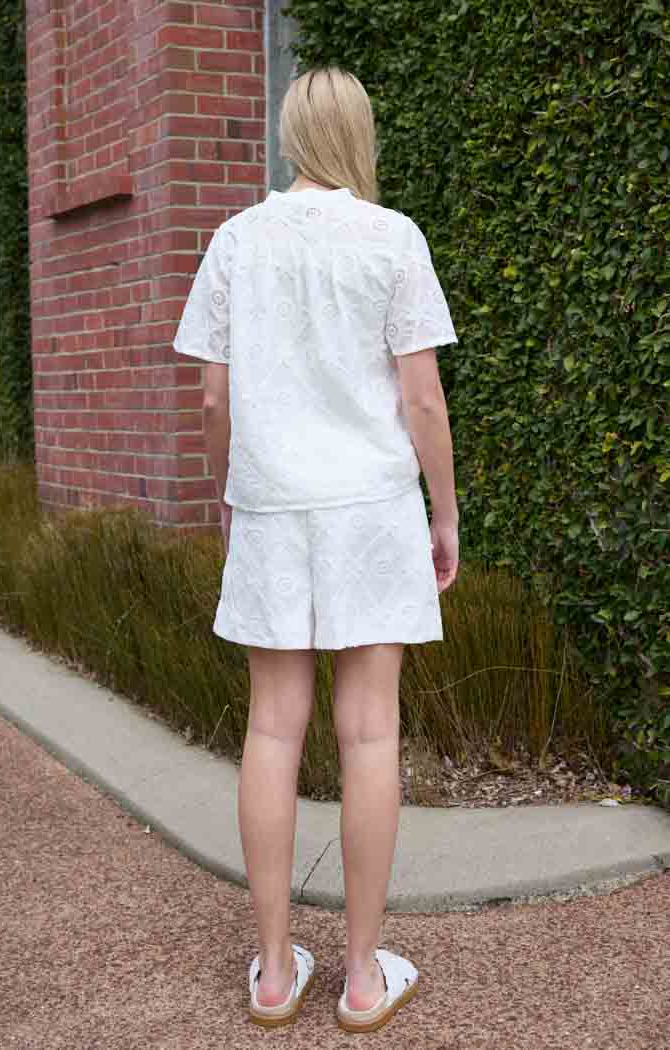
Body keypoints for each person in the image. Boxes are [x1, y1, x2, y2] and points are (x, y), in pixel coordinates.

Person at [173, 64, 460, 1033]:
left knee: (271, 730)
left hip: (271, 508)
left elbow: (212, 397)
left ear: (292, 134)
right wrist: (444, 514)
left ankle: (271, 973)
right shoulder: (393, 237)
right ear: (359, 134)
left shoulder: (236, 240)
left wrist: (228, 489)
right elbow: (421, 398)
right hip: (371, 508)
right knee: (369, 733)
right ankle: (363, 980)